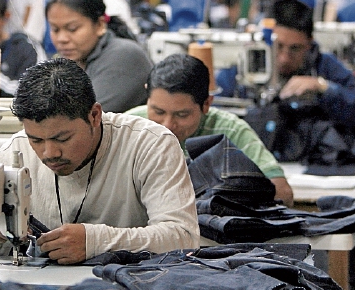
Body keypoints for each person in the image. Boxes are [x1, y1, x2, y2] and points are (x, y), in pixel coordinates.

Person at [0, 57, 199, 264]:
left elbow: (183, 237)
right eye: (36, 140)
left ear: (95, 115)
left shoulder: (151, 144)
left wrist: (97, 242)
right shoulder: (15, 151)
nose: (49, 153)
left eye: (62, 138)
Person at [125, 53, 295, 207]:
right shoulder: (128, 127)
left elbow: (283, 193)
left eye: (182, 114)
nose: (167, 125)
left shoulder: (230, 130)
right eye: (158, 112)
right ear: (147, 94)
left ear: (206, 104)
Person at [46, 0, 153, 112]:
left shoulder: (123, 56)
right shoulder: (70, 62)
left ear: (100, 25)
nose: (62, 39)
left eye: (72, 29)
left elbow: (81, 118)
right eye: (55, 29)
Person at [273, 0, 355, 125]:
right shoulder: (250, 65)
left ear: (309, 44)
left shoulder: (324, 65)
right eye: (278, 46)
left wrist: (322, 87)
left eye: (294, 49)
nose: (284, 58)